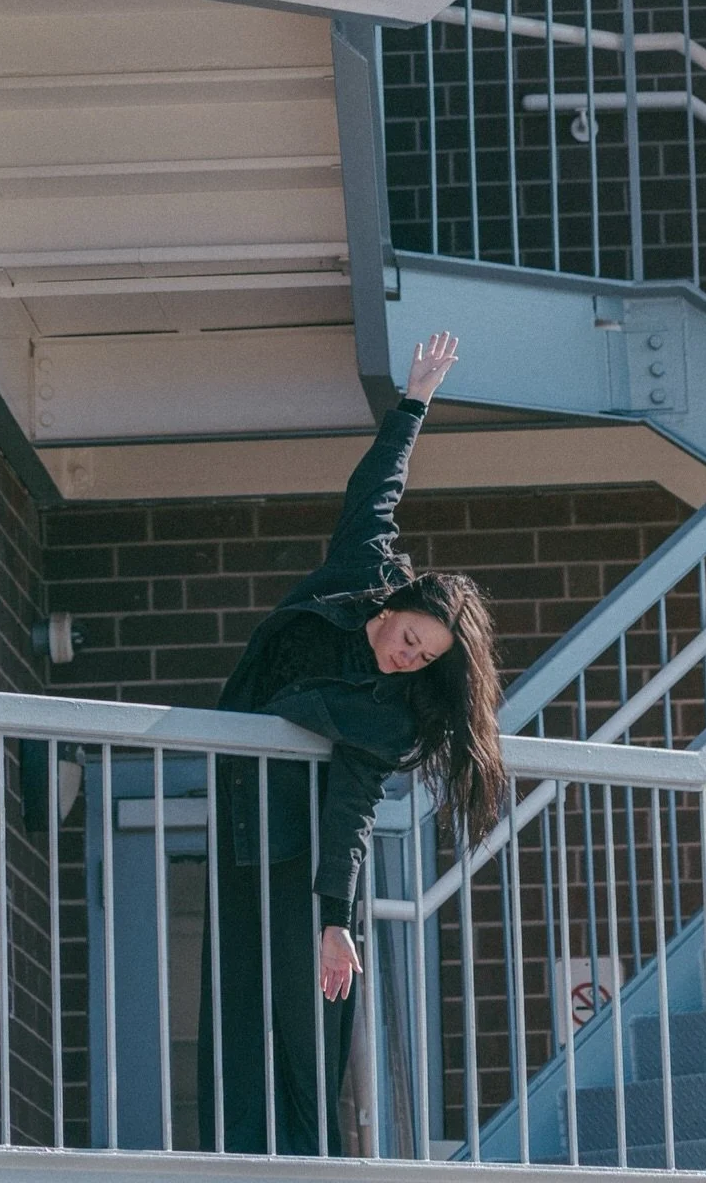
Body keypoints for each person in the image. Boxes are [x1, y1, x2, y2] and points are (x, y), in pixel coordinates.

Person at [197, 331, 506, 1156]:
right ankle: (231, 1154)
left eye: (425, 659)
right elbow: (374, 494)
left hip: (304, 838)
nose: (408, 657)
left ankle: (308, 1161)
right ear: (398, 604)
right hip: (243, 810)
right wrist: (414, 404)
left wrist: (338, 919)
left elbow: (354, 806)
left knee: (306, 1015)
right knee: (235, 997)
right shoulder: (358, 572)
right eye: (412, 638)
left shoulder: (394, 709)